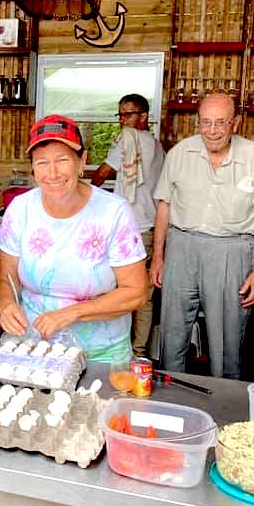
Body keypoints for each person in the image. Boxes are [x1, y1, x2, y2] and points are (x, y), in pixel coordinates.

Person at [151, 93, 254, 379]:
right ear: (198, 122)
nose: (212, 131)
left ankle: (223, 407)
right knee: (172, 332)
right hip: (181, 248)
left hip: (232, 251)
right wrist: (158, 257)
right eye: (206, 123)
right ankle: (170, 397)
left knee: (226, 339)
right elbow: (164, 206)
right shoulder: (180, 153)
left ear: (235, 123)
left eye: (220, 123)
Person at [0, 115, 147, 363]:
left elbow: (136, 292)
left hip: (101, 355)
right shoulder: (21, 209)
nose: (52, 173)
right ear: (33, 168)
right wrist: (7, 306)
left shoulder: (113, 212)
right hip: (32, 348)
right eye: (42, 163)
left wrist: (71, 313)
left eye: (62, 160)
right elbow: (4, 279)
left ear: (82, 161)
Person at [91, 93, 165, 356]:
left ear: (143, 116)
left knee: (113, 288)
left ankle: (114, 347)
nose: (122, 120)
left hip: (128, 230)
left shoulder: (128, 140)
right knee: (143, 295)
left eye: (127, 114)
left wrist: (83, 194)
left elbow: (102, 174)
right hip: (150, 228)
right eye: (119, 114)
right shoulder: (158, 146)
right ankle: (139, 350)